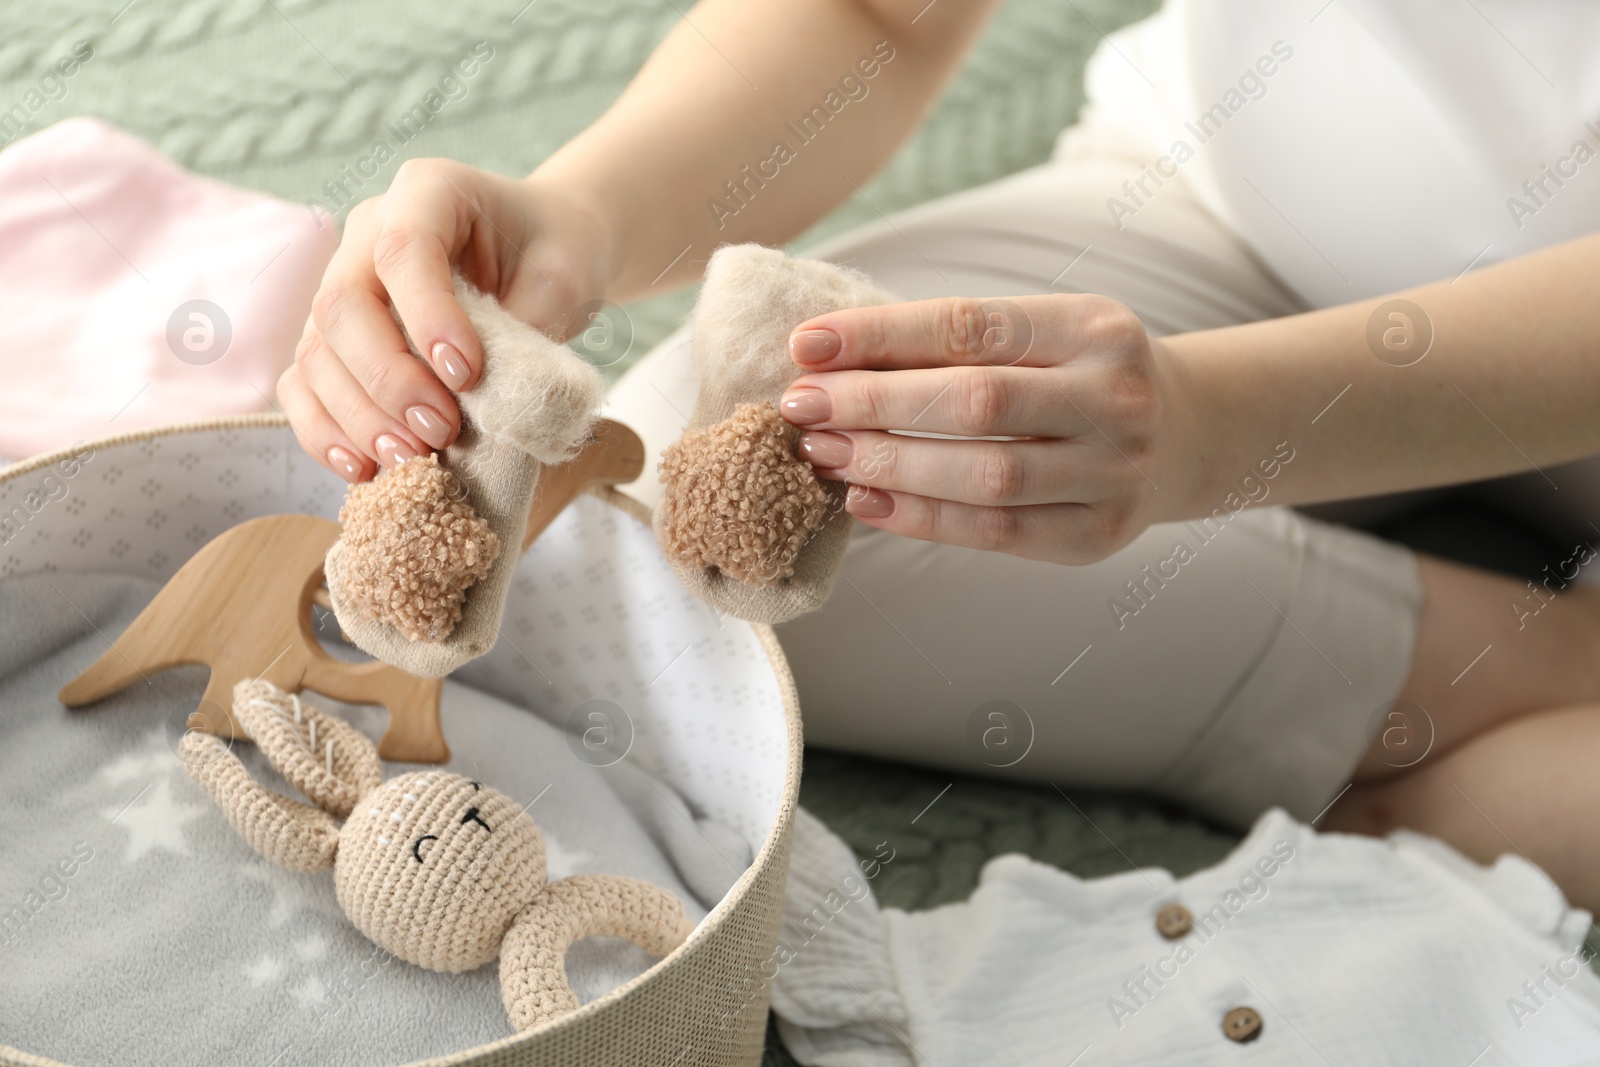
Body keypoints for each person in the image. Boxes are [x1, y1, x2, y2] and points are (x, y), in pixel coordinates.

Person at [278, 0, 1600, 908]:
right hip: (1228, 206)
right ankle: (1511, 663)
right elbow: (873, 15)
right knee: (718, 520)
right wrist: (580, 212)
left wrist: (1214, 427)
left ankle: (1439, 730)